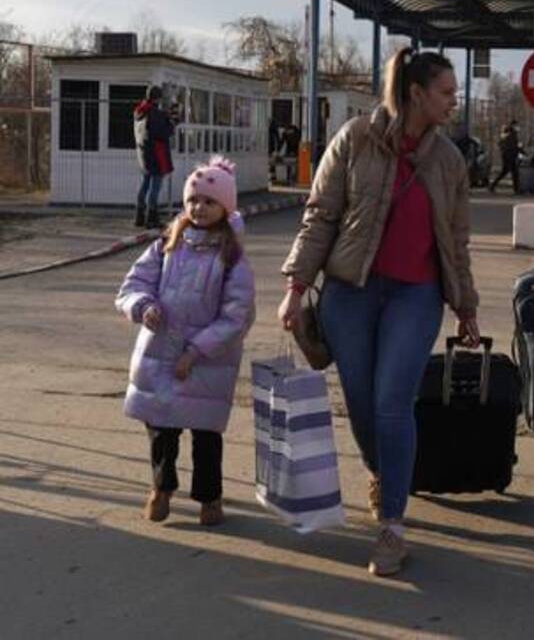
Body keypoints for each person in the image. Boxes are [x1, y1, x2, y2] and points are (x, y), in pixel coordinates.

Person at [277, 48, 481, 577]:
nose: (452, 102)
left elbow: (456, 241)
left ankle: (392, 525)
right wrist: (296, 288)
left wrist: (466, 306)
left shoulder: (450, 161)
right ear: (416, 93)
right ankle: (382, 470)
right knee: (363, 405)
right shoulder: (355, 139)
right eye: (445, 92)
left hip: (416, 296)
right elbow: (320, 215)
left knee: (393, 403)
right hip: (351, 292)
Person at [115, 156, 256, 527]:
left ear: (225, 207)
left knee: (206, 434)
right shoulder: (166, 244)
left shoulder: (232, 257)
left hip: (207, 360)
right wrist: (143, 306)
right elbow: (133, 285)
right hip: (160, 354)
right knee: (161, 428)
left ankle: (209, 498)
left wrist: (195, 352)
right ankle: (162, 487)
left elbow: (236, 315)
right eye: (193, 200)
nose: (199, 207)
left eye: (209, 202)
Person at [133, 85, 176, 228]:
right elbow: (164, 133)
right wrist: (171, 122)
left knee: (145, 183)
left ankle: (139, 215)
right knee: (155, 186)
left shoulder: (139, 111)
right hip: (156, 154)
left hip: (144, 153)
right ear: (158, 98)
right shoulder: (154, 113)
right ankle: (151, 217)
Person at [489, 121, 524, 193]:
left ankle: (493, 186)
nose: (517, 127)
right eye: (516, 126)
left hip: (507, 155)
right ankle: (516, 189)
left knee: (506, 172)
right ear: (514, 126)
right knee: (514, 172)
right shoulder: (512, 134)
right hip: (510, 156)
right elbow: (514, 146)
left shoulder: (508, 133)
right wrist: (521, 151)